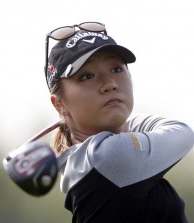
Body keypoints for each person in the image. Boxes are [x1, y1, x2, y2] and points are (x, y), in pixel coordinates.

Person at [45, 22, 194, 223]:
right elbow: (182, 132)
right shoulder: (107, 156)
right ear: (59, 104)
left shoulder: (82, 162)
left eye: (116, 69)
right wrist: (123, 121)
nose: (110, 84)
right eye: (87, 76)